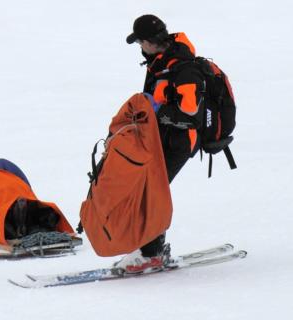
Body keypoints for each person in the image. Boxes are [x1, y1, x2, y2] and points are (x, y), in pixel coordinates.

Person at [115, 15, 205, 273]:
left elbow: (191, 116)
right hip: (161, 138)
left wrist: (157, 112)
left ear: (150, 42)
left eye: (140, 42)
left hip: (180, 141)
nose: (140, 48)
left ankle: (151, 254)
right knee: (149, 189)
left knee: (152, 192)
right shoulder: (159, 63)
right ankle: (152, 250)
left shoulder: (183, 68)